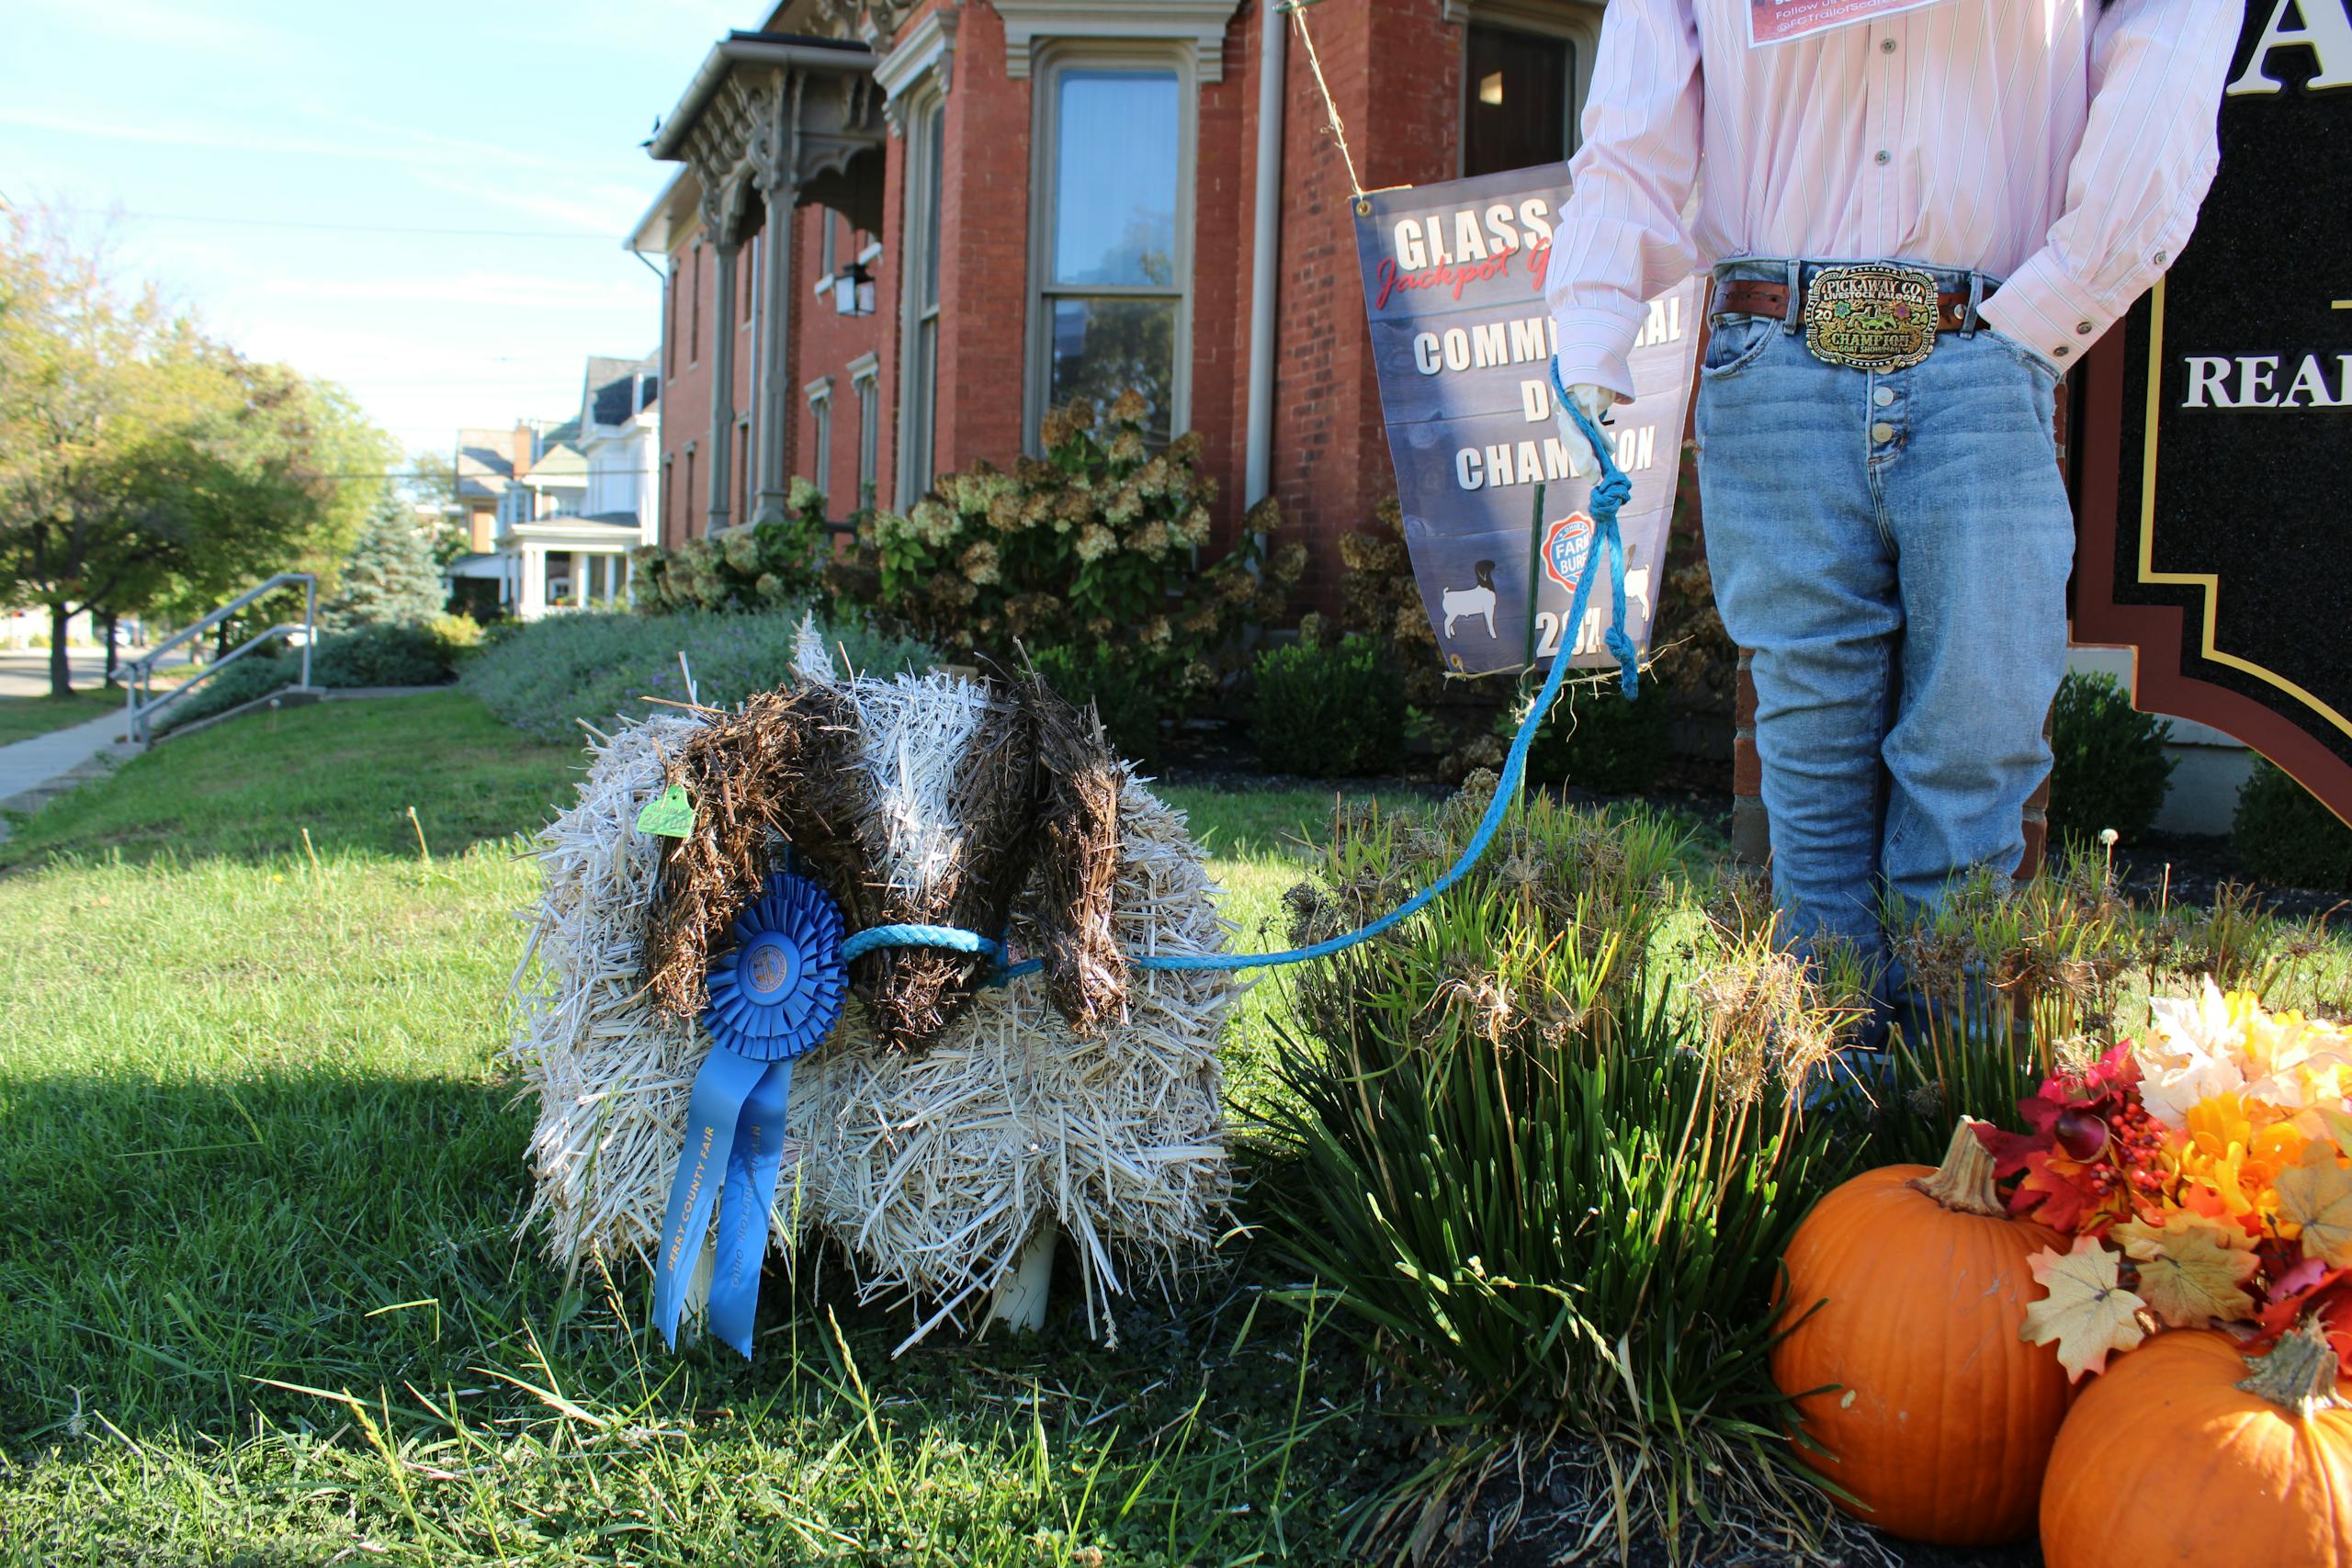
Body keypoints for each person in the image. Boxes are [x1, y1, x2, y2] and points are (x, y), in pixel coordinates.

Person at [1545, 0, 2241, 1035]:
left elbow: (2170, 49)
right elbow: (1633, 119)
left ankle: (1945, 1109)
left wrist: (2053, 307)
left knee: (1980, 734)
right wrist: (1593, 322)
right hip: (1771, 348)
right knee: (1810, 752)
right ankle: (1823, 1099)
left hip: (1983, 345)